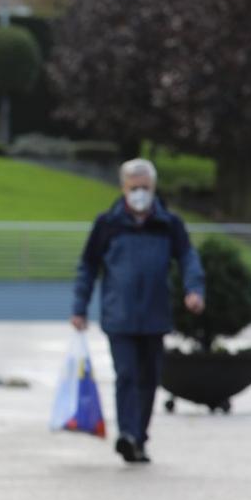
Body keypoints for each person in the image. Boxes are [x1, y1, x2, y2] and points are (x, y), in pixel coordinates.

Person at [71, 158, 205, 464]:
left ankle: (140, 437)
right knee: (127, 375)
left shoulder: (169, 224)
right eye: (135, 188)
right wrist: (79, 307)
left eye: (145, 188)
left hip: (155, 316)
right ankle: (128, 434)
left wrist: (194, 290)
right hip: (119, 316)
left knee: (149, 378)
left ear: (154, 188)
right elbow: (88, 266)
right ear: (123, 188)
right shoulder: (108, 224)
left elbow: (188, 258)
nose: (140, 193)